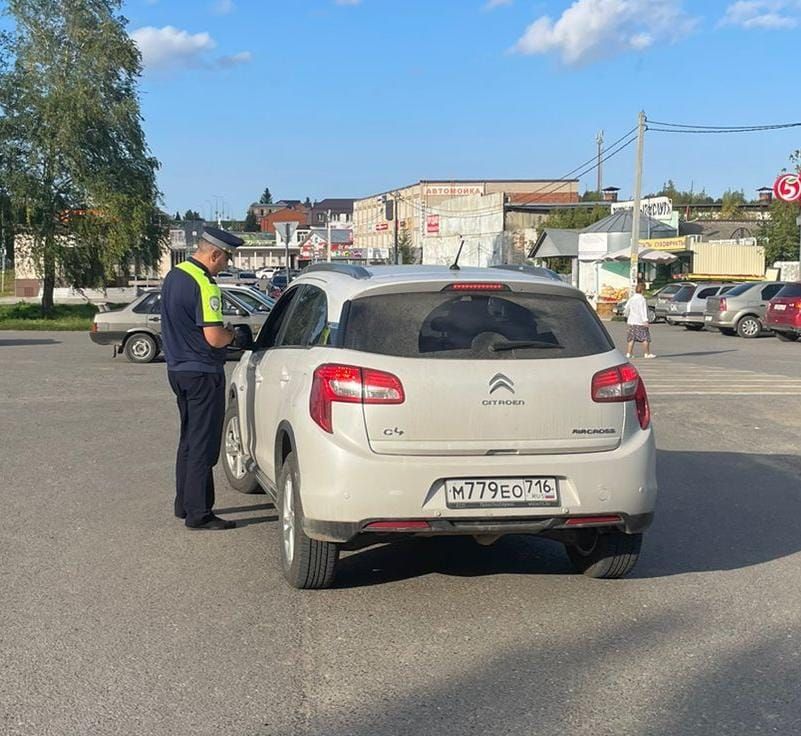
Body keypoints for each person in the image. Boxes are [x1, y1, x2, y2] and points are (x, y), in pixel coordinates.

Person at [160, 226, 245, 530]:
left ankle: (184, 503)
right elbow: (214, 337)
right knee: (203, 444)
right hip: (203, 372)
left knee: (187, 440)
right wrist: (233, 334)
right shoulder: (206, 284)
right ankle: (200, 513)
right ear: (214, 254)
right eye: (226, 259)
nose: (226, 266)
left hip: (177, 369)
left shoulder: (174, 276)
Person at [624, 282, 656, 359]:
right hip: (640, 321)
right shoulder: (642, 299)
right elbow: (643, 310)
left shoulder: (631, 299)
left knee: (631, 338)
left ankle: (629, 353)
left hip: (632, 321)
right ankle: (646, 353)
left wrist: (628, 316)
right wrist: (645, 320)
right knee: (645, 338)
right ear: (643, 290)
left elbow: (626, 309)